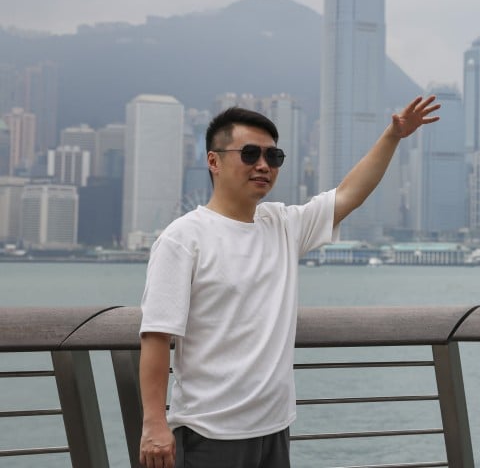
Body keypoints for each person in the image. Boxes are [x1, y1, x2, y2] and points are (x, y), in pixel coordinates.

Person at [138, 95, 440, 468]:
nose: (263, 165)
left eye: (273, 156)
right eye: (249, 154)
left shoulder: (282, 225)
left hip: (274, 428)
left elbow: (349, 194)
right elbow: (156, 335)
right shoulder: (183, 238)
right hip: (209, 432)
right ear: (213, 161)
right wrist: (154, 424)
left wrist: (393, 136)